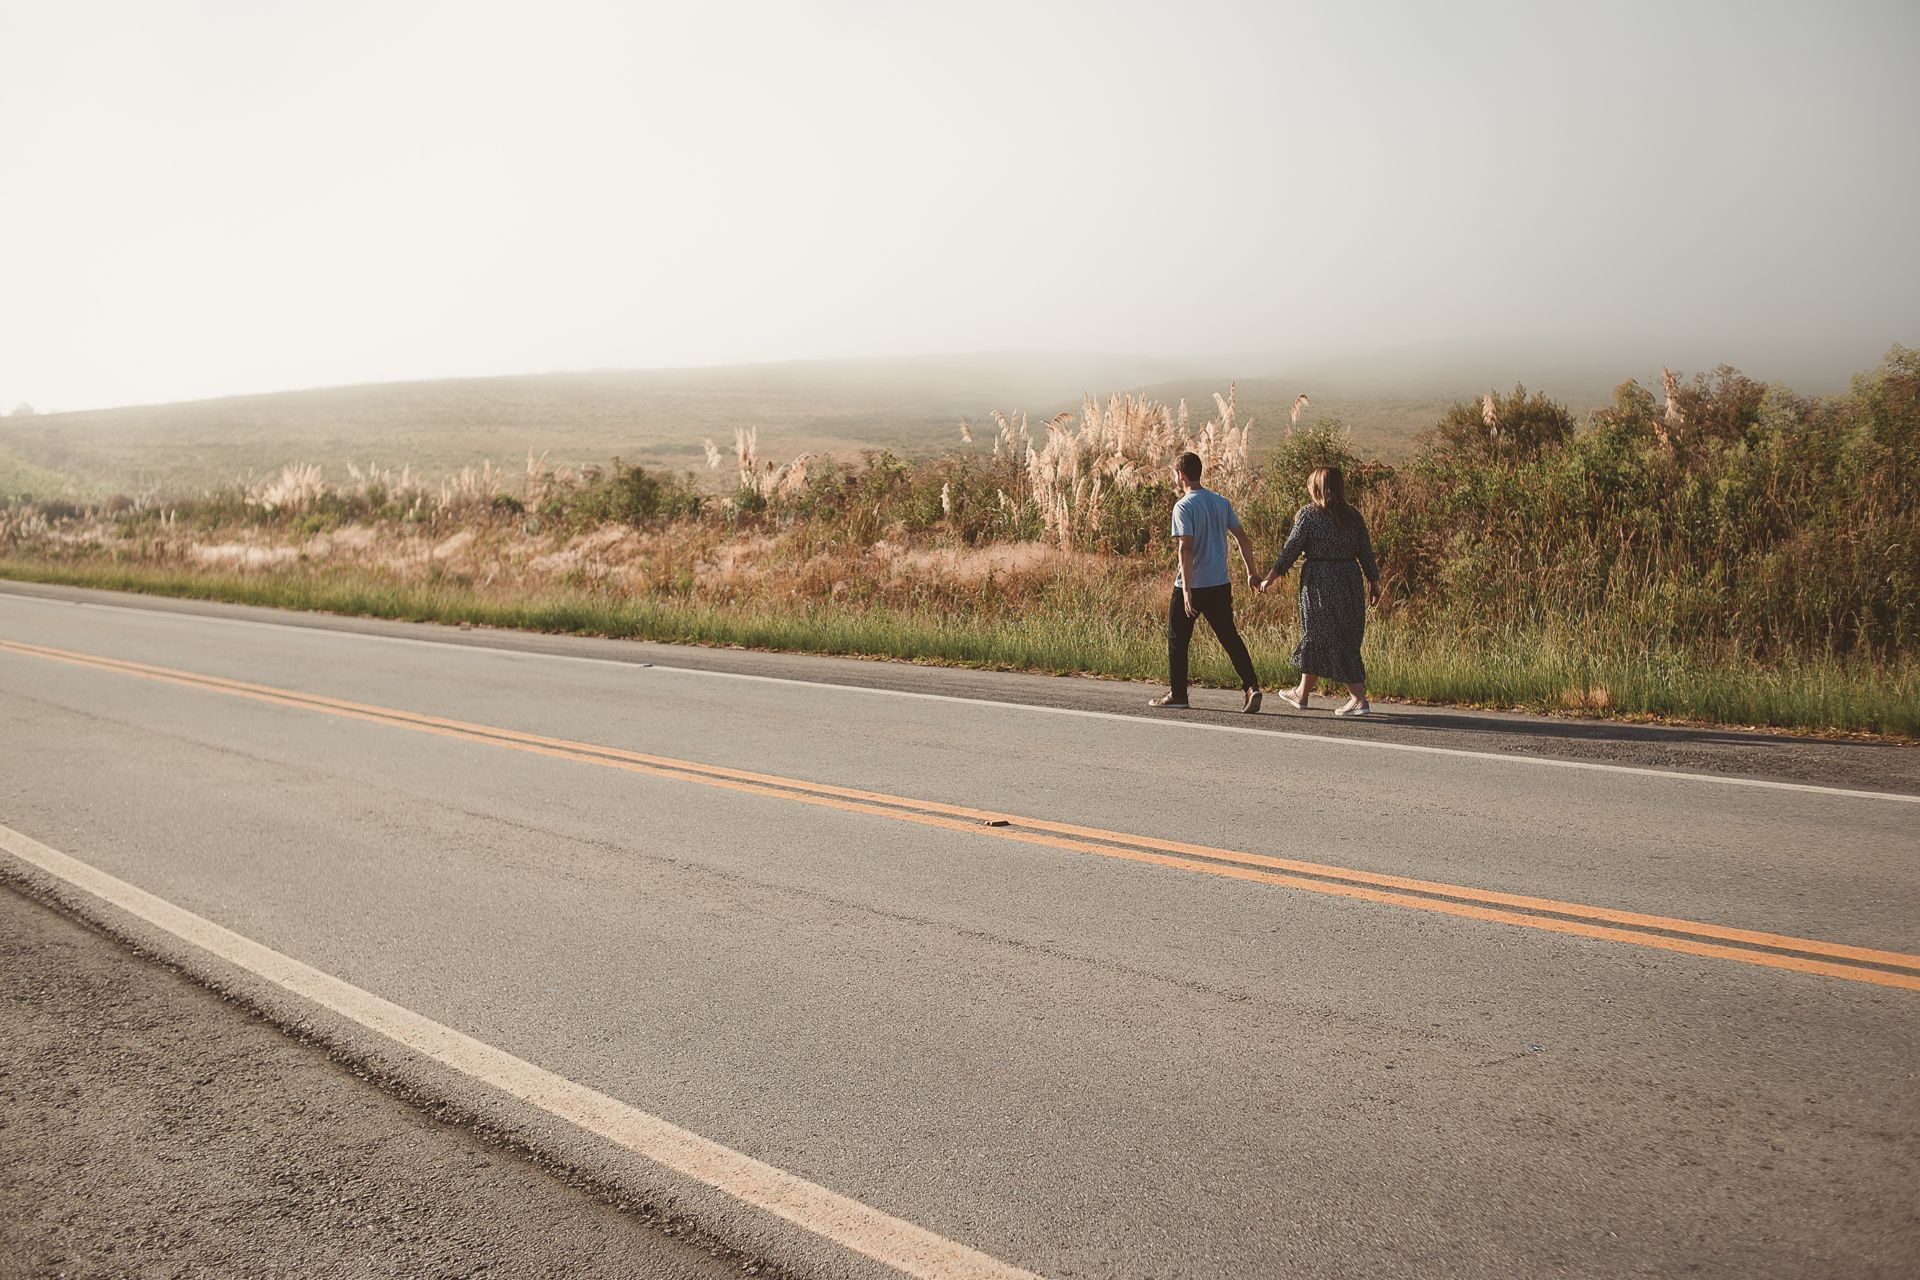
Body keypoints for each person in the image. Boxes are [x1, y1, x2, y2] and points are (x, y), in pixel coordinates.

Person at [1257, 465, 1381, 716]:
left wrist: (1271, 577)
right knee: (1336, 635)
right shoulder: (1353, 516)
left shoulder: (1308, 516)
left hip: (1320, 583)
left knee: (1320, 633)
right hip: (1349, 579)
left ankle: (1358, 698)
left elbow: (1290, 550)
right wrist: (1374, 582)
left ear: (1317, 488)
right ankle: (1301, 694)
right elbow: (1365, 551)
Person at [1150, 451, 1263, 713]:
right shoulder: (1221, 502)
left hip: (1192, 584)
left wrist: (1187, 590)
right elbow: (1243, 539)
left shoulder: (1183, 506)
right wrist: (1251, 573)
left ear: (1181, 476)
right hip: (1219, 583)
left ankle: (1178, 694)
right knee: (1229, 637)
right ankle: (1251, 686)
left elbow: (1185, 549)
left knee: (1178, 639)